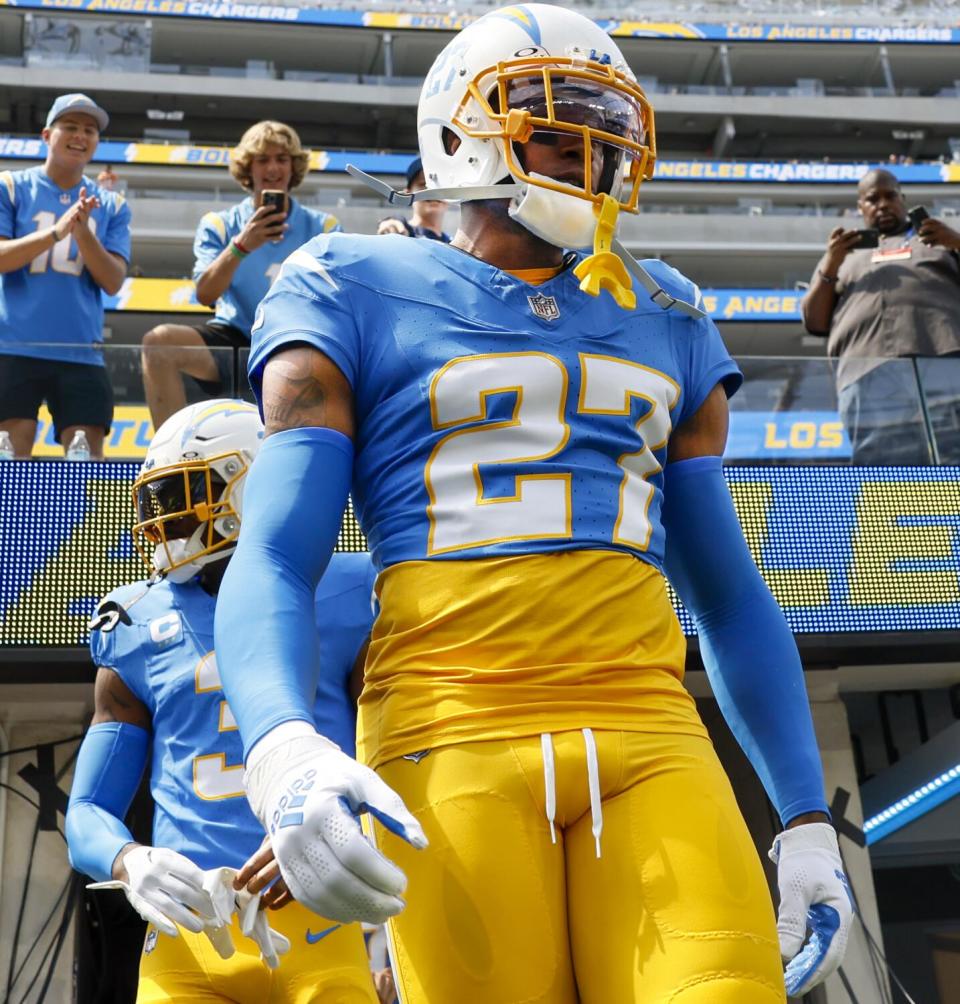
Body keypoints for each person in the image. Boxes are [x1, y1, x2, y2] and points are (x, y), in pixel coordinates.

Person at [218, 7, 852, 1002]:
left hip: (649, 723)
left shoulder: (669, 308)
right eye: (556, 123)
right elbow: (276, 554)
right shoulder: (348, 278)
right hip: (448, 721)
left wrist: (806, 814)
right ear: (458, 130)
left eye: (604, 129)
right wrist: (281, 746)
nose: (588, 154)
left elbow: (726, 593)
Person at [66, 399, 380, 1003]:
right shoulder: (136, 620)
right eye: (157, 502)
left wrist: (338, 834)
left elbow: (395, 760)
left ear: (251, 481)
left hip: (322, 923)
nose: (168, 522)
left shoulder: (350, 591)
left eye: (187, 493)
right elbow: (86, 813)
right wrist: (130, 861)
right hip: (189, 937)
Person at [141, 122, 342, 429]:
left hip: (294, 340)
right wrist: (241, 245)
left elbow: (339, 300)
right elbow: (205, 294)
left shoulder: (323, 227)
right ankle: (170, 458)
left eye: (281, 158)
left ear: (294, 167)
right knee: (159, 344)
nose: (272, 167)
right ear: (248, 168)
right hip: (233, 338)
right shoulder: (220, 224)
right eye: (262, 159)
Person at [0, 93, 130, 459]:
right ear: (46, 135)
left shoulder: (112, 205)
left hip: (81, 351)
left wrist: (82, 230)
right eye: (70, 126)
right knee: (9, 455)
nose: (80, 135)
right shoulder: (11, 186)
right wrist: (56, 232)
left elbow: (113, 281)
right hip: (13, 346)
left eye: (90, 129)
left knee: (85, 460)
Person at [802, 167, 960, 464]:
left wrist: (955, 241)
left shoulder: (939, 243)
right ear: (860, 207)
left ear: (903, 199)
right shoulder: (842, 257)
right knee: (881, 467)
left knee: (954, 456)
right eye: (873, 199)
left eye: (890, 196)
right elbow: (815, 321)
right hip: (867, 370)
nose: (883, 204)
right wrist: (831, 262)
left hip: (946, 360)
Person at [376, 157, 450, 242]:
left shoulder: (452, 242)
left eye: (441, 185)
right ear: (408, 194)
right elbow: (395, 225)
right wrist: (391, 224)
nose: (433, 191)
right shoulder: (405, 232)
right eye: (424, 185)